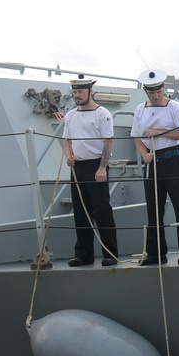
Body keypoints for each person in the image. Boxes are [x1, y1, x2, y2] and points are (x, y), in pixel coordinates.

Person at [131, 69, 179, 265]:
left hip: (172, 161)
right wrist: (144, 154)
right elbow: (137, 137)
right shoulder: (140, 109)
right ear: (145, 90)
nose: (156, 96)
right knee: (153, 210)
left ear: (163, 88)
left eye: (158, 92)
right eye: (151, 93)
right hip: (152, 162)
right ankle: (156, 253)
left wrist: (159, 132)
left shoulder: (175, 107)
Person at [62, 74, 118, 267]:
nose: (77, 95)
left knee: (102, 210)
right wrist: (69, 155)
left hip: (96, 166)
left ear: (90, 92)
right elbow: (67, 140)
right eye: (75, 91)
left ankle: (110, 252)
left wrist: (103, 167)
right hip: (77, 167)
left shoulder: (103, 114)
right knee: (80, 210)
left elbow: (108, 142)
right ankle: (84, 254)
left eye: (80, 91)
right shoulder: (70, 115)